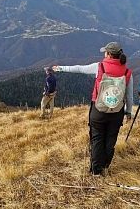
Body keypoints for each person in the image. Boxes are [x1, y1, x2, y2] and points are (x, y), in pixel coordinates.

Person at [53, 42, 133, 176]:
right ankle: (105, 166)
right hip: (116, 111)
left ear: (108, 54)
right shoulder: (127, 72)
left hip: (98, 110)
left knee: (97, 139)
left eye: (105, 52)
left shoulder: (99, 67)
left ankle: (96, 170)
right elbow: (129, 96)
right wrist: (128, 112)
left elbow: (79, 68)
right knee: (110, 140)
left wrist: (61, 68)